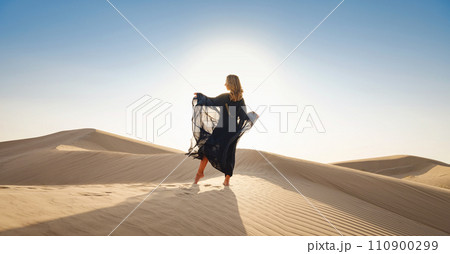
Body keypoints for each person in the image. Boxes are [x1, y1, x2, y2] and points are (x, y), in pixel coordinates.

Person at [187, 74, 257, 186]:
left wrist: (200, 97)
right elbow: (242, 117)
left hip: (226, 130)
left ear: (231, 83)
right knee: (223, 153)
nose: (225, 84)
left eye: (226, 82)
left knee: (212, 150)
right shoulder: (235, 99)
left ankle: (202, 174)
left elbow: (211, 101)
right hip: (228, 130)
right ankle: (224, 180)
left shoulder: (232, 99)